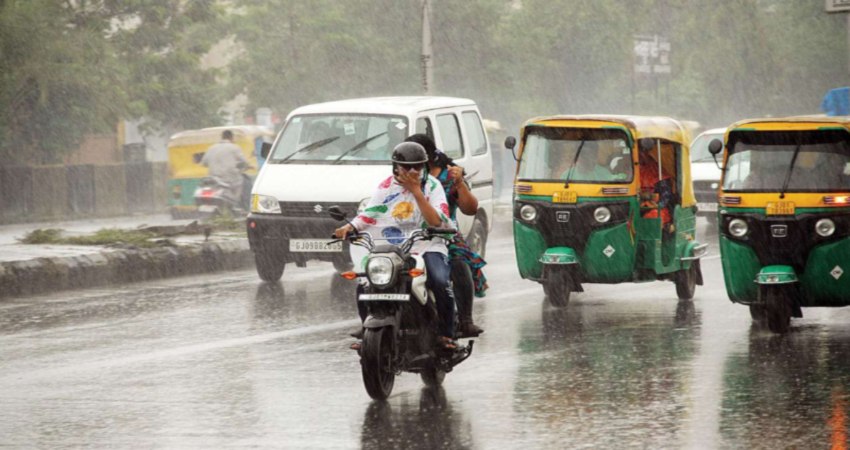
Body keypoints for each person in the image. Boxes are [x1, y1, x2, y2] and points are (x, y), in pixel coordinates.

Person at [334, 142, 458, 350]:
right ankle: (367, 329)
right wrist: (350, 226)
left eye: (417, 167)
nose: (412, 171)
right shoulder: (385, 187)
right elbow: (370, 213)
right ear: (395, 166)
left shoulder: (433, 186)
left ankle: (446, 333)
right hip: (391, 247)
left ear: (424, 166)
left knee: (439, 279)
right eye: (405, 167)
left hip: (427, 244)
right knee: (365, 282)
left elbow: (437, 221)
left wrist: (416, 192)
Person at [405, 133, 487, 337]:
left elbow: (470, 209)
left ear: (428, 157)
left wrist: (459, 184)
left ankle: (465, 320)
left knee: (459, 263)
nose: (411, 167)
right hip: (406, 234)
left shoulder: (445, 178)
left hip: (443, 234)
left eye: (416, 160)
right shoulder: (401, 177)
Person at [200, 130, 251, 207]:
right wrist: (247, 165)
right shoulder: (234, 147)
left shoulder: (211, 148)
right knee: (241, 182)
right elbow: (244, 162)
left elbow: (204, 163)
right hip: (230, 178)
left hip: (214, 178)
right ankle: (237, 204)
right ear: (231, 137)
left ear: (222, 137)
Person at [638, 142, 675, 227]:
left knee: (653, 216)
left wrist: (656, 206)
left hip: (656, 208)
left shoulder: (657, 171)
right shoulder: (630, 170)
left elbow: (665, 196)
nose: (640, 155)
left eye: (642, 152)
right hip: (635, 207)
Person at [559, 141, 624, 181]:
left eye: (592, 155)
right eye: (584, 155)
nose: (589, 159)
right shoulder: (567, 176)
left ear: (595, 156)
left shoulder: (604, 173)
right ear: (578, 157)